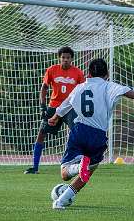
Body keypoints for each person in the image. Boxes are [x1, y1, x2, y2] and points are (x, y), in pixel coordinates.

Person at [48, 58, 134, 209]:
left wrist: (55, 117)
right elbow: (125, 90)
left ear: (89, 73)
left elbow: (65, 105)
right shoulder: (108, 86)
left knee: (64, 173)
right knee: (88, 172)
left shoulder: (79, 88)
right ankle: (60, 202)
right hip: (98, 135)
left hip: (79, 131)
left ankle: (75, 170)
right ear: (107, 73)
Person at [24, 46, 85, 174]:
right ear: (59, 58)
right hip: (54, 107)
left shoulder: (78, 73)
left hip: (70, 108)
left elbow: (82, 92)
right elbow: (44, 88)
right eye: (63, 57)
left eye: (68, 58)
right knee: (41, 134)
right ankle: (35, 167)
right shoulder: (52, 70)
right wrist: (42, 105)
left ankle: (80, 165)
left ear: (72, 59)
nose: (65, 60)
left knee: (77, 133)